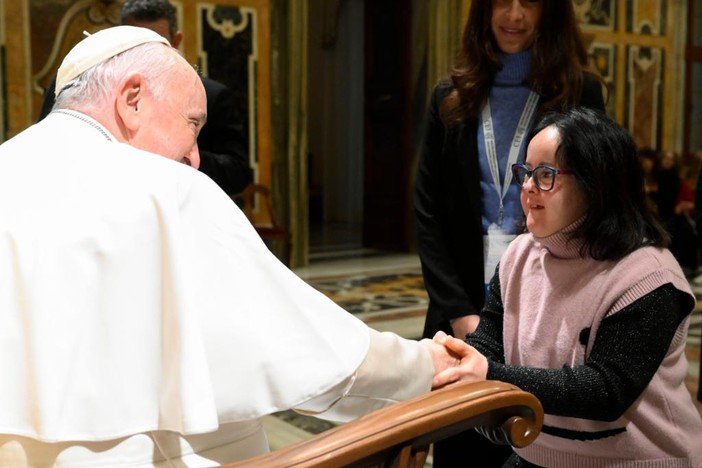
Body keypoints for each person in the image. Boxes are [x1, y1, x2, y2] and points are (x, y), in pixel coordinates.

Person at [0, 26, 458, 466]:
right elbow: (310, 351)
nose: (195, 158)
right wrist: (425, 366)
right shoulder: (165, 188)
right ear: (131, 99)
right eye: (192, 124)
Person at [432, 107, 702, 467]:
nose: (527, 187)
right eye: (525, 173)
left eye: (545, 175)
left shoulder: (647, 276)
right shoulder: (518, 256)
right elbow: (488, 345)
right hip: (540, 455)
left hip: (638, 459)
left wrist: (487, 373)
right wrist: (455, 358)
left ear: (597, 183)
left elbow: (606, 391)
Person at [413, 0, 605, 464]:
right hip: (460, 312)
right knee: (460, 451)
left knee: (538, 449)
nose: (514, 15)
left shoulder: (581, 93)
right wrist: (460, 312)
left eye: (529, 2)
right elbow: (428, 212)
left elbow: (596, 201)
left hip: (548, 311)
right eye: (502, 0)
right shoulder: (449, 95)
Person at [37, 0, 253, 196]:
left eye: (155, 43)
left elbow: (237, 171)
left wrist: (175, 153)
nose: (144, 53)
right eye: (136, 41)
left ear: (176, 41)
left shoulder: (211, 95)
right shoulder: (74, 79)